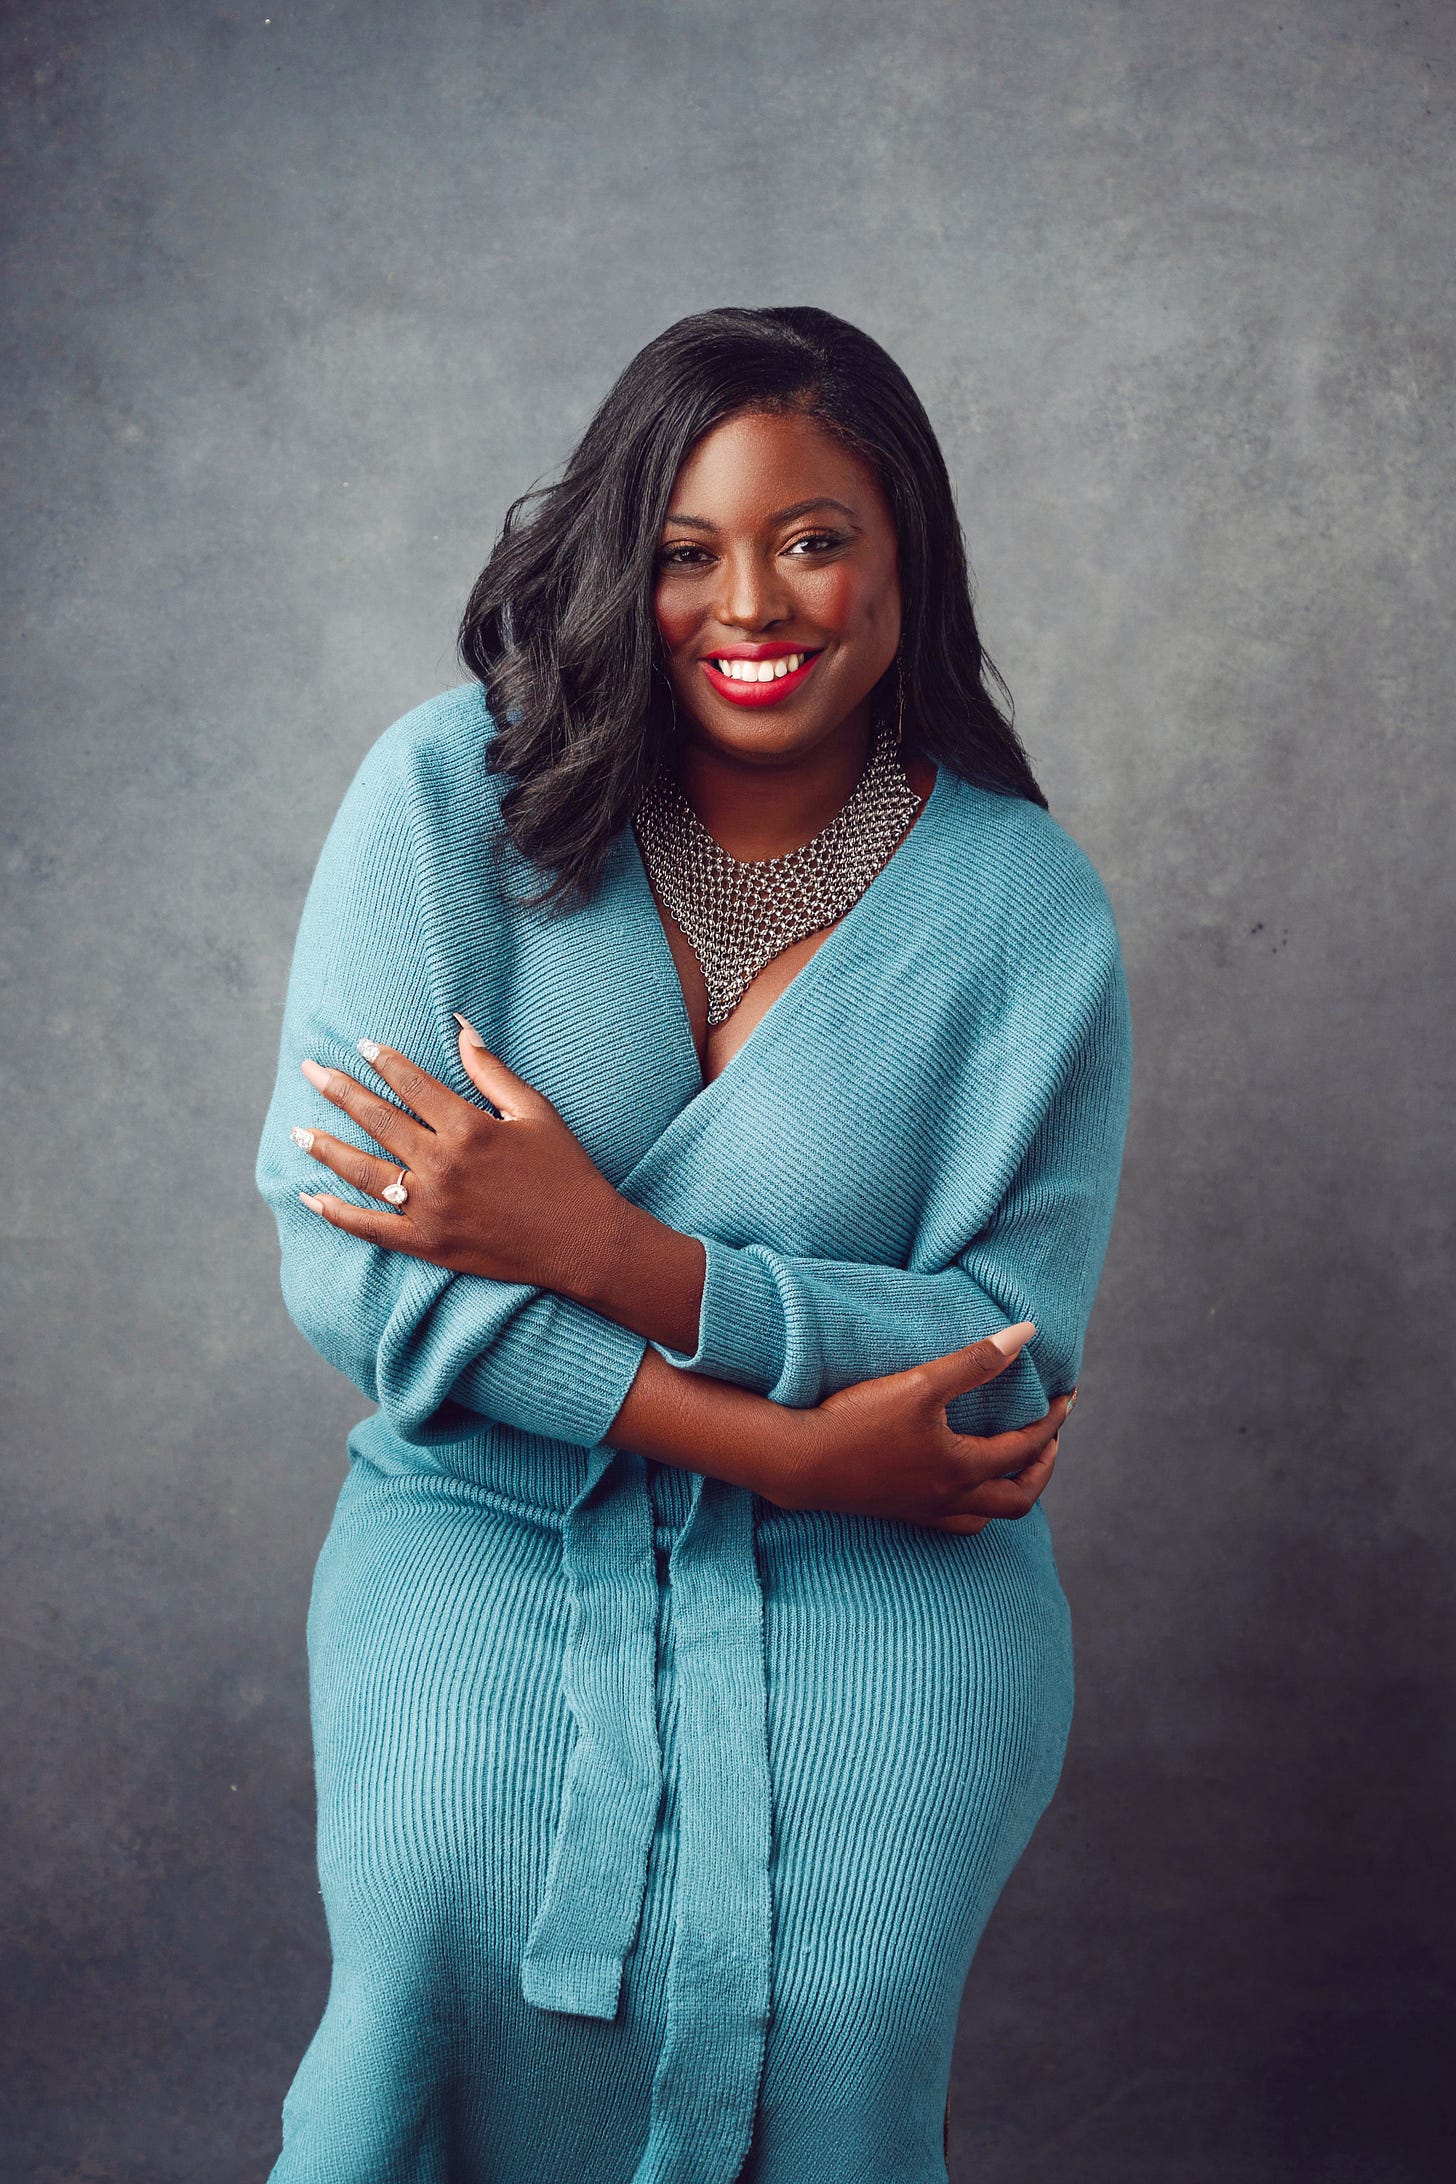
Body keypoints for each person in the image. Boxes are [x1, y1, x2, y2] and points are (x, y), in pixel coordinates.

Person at [254, 304, 1133, 2183]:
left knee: (851, 2001)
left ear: (904, 560)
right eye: (685, 550)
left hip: (893, 1557)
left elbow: (1002, 1352)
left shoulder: (1019, 909)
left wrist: (605, 1250)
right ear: (619, 562)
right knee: (425, 1950)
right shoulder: (442, 808)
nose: (754, 602)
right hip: (483, 1515)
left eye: (813, 538)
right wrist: (783, 1435)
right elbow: (363, 1273)